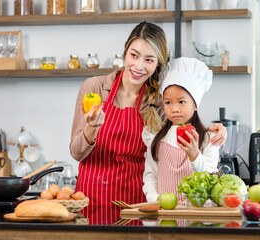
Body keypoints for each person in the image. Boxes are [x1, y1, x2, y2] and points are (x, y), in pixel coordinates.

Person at [70, 22, 227, 224]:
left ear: (157, 64)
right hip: (92, 197)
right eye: (134, 55)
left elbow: (187, 116)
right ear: (125, 53)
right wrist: (91, 128)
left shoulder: (160, 101)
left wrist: (217, 130)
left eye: (149, 59)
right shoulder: (95, 88)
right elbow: (76, 153)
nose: (139, 66)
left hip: (138, 204)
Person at [142, 57, 219, 202]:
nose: (174, 109)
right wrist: (155, 199)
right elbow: (150, 175)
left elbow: (211, 180)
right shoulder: (156, 138)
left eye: (181, 102)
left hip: (195, 216)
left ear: (195, 104)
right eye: (168, 102)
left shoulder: (208, 139)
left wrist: (195, 156)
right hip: (164, 215)